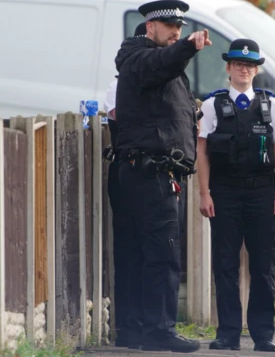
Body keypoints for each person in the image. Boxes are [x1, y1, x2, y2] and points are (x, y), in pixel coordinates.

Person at [114, 0, 211, 353]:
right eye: (169, 26)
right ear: (150, 26)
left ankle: (135, 330)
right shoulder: (140, 58)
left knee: (140, 255)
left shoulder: (151, 64)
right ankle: (159, 330)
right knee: (162, 255)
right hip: (150, 174)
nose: (176, 31)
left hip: (149, 172)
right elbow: (162, 63)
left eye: (180, 27)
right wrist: (187, 47)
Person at [197, 39, 275, 353]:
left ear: (256, 69)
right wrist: (204, 193)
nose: (244, 69)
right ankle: (227, 333)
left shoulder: (271, 104)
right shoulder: (212, 104)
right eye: (238, 64)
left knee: (263, 265)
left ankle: (263, 334)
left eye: (250, 65)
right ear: (228, 67)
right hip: (224, 191)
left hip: (261, 192)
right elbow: (202, 151)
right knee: (225, 264)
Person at [102, 22, 146, 349]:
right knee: (130, 251)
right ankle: (129, 328)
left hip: (159, 174)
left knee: (157, 253)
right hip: (129, 171)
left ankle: (153, 322)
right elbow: (121, 116)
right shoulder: (117, 86)